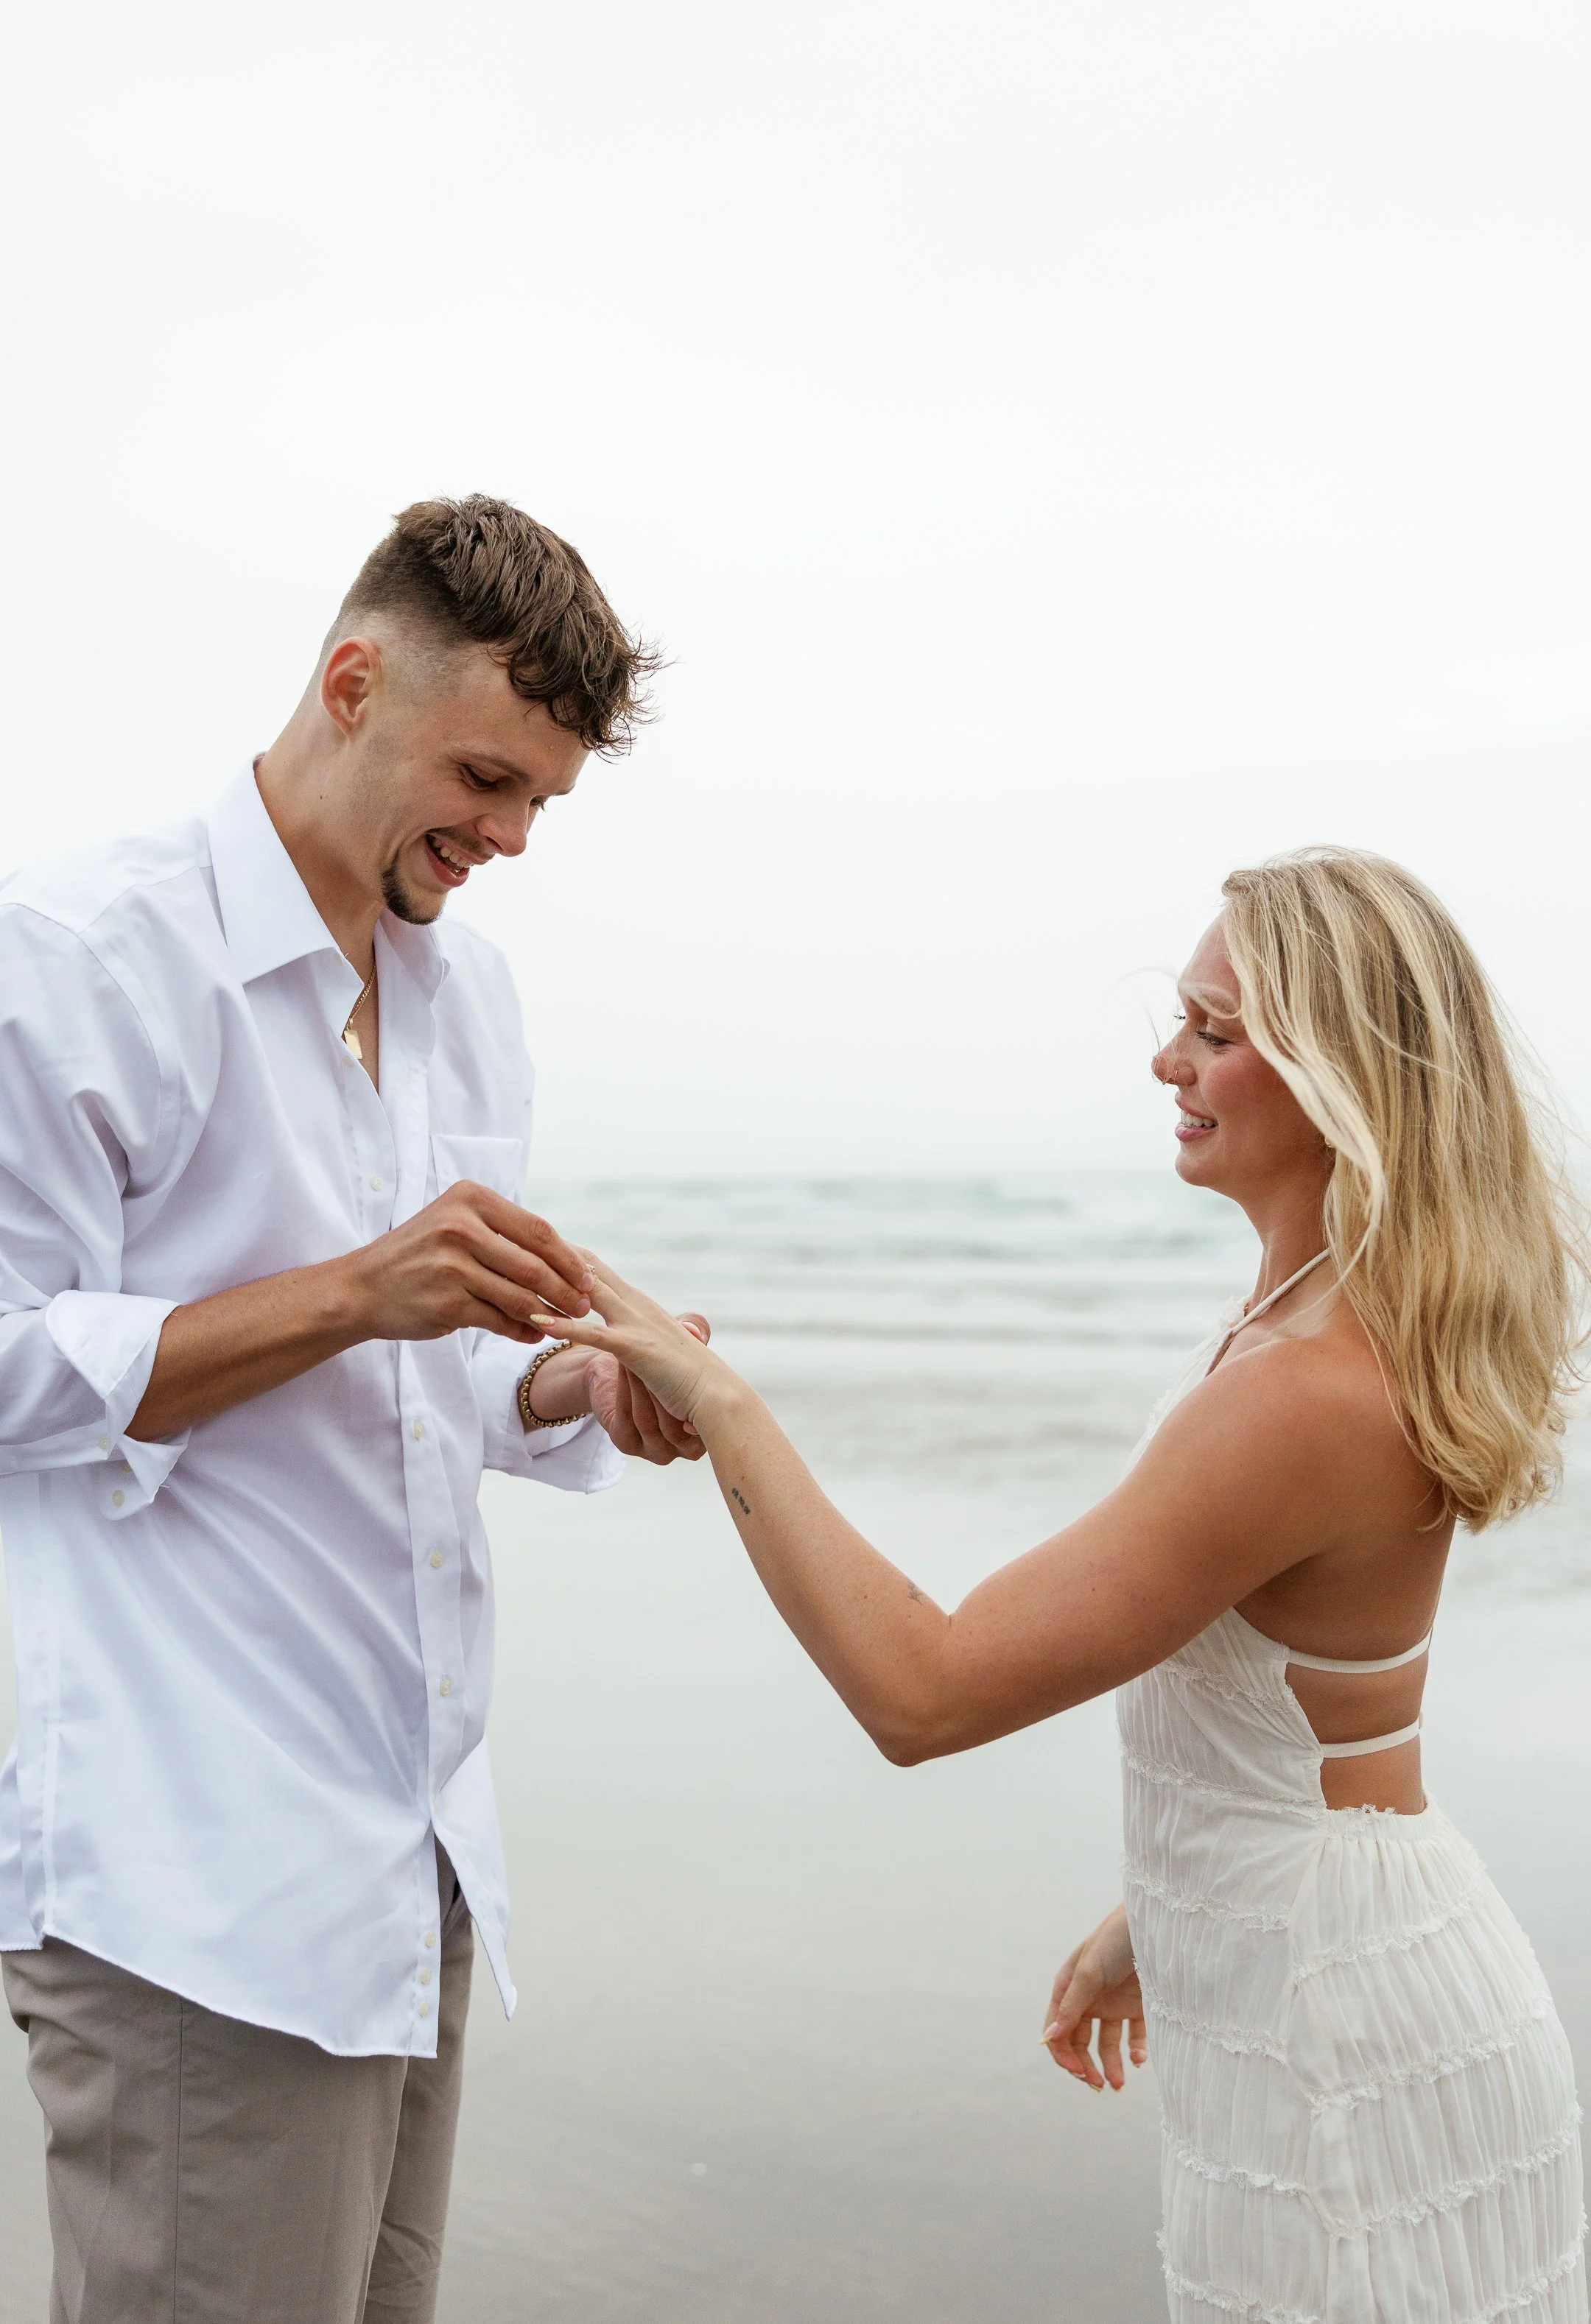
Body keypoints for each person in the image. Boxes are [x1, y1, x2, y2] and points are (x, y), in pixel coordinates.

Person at [535, 851, 1590, 2323]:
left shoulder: (1298, 1391)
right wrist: (1154, 1915)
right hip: (1350, 1962)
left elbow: (923, 1692)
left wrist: (722, 1402)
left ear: (1340, 1076)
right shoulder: (1317, 1323)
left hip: (1341, 2040)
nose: (1168, 1061)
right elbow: (1325, 1726)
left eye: (1214, 1031)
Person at [0, 495, 707, 2324]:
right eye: (486, 777)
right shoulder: (76, 956)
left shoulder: (469, 1001)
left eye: (543, 801)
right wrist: (349, 1291)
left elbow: (424, 1374)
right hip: (196, 1882)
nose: (510, 837)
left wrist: (570, 1380)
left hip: (411, 1864)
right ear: (349, 684)